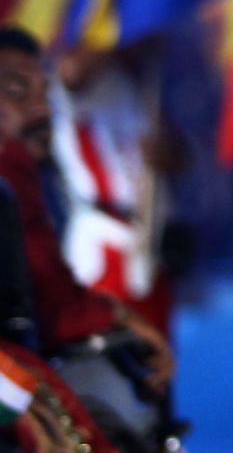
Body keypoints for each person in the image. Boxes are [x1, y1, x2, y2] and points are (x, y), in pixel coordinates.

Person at [0, 25, 174, 452]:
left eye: (43, 92)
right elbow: (52, 302)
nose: (41, 110)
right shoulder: (10, 168)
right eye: (18, 94)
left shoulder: (17, 169)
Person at [50, 41, 181, 336]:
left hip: (152, 239)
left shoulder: (142, 79)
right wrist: (120, 35)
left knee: (156, 366)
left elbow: (179, 153)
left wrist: (168, 151)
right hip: (105, 244)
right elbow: (71, 74)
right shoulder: (76, 78)